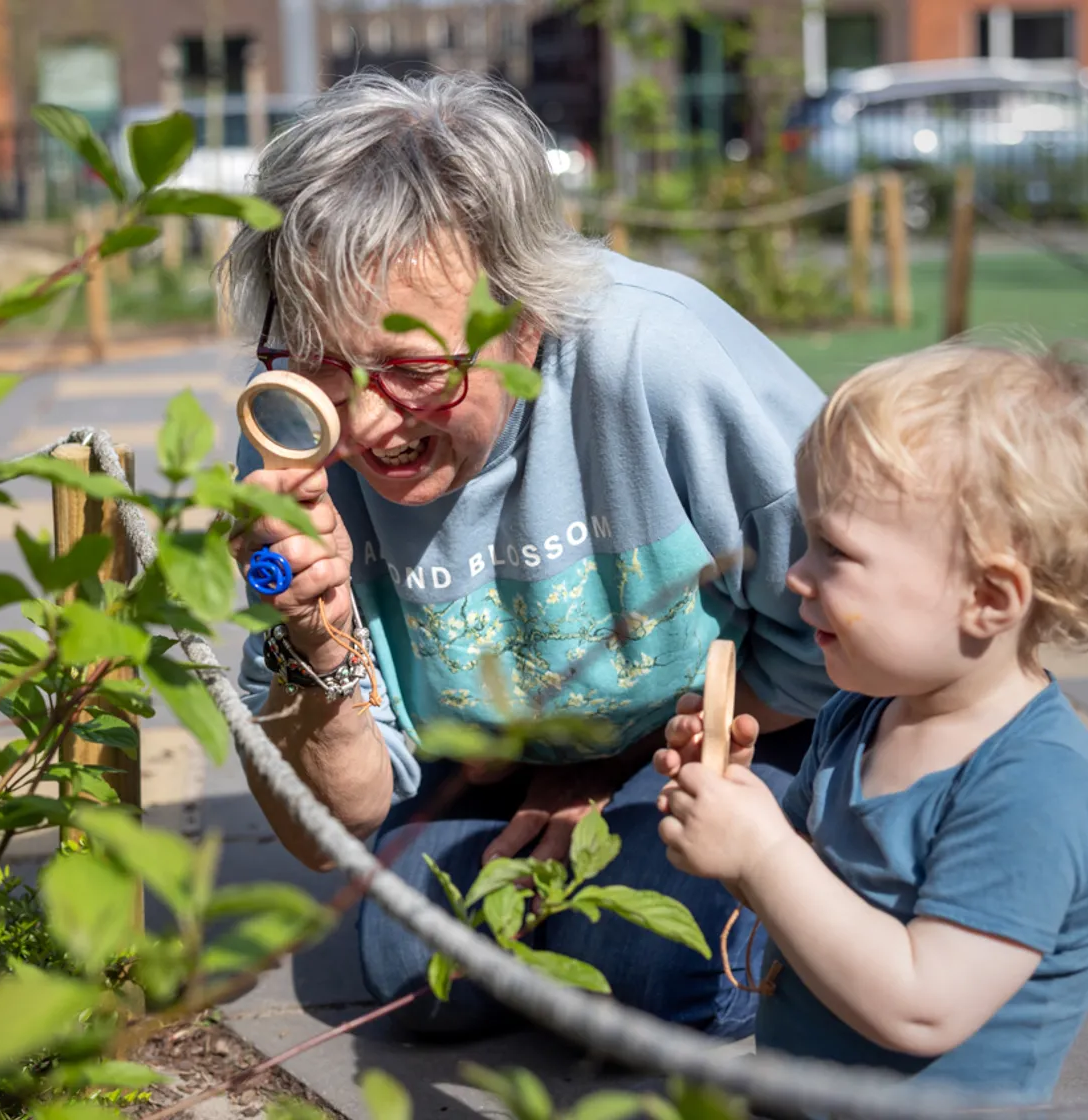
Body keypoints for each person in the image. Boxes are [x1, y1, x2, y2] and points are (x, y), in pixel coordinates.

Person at [220, 69, 835, 1040]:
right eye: (320, 357)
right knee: (409, 970)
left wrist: (616, 766)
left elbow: (851, 618)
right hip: (496, 762)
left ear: (525, 318)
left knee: (666, 966)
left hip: (745, 721)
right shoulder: (292, 430)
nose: (364, 423)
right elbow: (318, 824)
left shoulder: (653, 358)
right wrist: (311, 629)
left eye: (416, 369)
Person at [654, 340, 1088, 1101]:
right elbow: (804, 906)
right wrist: (731, 819)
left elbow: (922, 1008)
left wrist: (765, 853)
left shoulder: (1037, 783)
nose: (797, 574)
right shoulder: (858, 717)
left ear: (990, 598)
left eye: (835, 551)